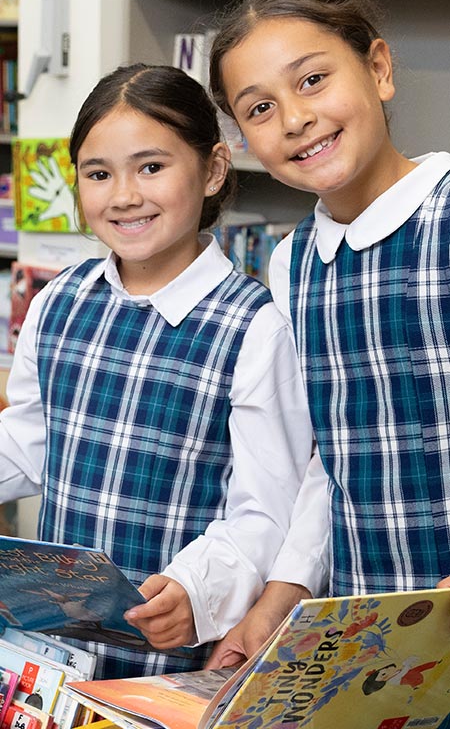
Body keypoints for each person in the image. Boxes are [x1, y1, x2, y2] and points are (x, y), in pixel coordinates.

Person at [0, 63, 329, 679]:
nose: (124, 195)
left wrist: (195, 589)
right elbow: (30, 441)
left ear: (213, 169)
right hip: (48, 655)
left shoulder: (255, 327)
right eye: (99, 174)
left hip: (170, 658)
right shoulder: (55, 302)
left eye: (151, 167)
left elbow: (265, 511)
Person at [206, 0, 450, 690]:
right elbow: (333, 457)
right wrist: (282, 594)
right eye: (260, 108)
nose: (294, 118)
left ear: (378, 69)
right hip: (379, 632)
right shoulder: (295, 266)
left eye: (313, 79)